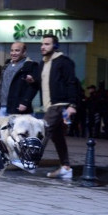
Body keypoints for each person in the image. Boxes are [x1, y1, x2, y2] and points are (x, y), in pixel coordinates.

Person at [32, 34, 80, 179]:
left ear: (55, 46)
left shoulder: (64, 62)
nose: (43, 46)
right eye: (42, 44)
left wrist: (72, 104)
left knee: (43, 129)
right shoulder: (43, 63)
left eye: (47, 44)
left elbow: (72, 83)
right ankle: (66, 167)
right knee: (57, 137)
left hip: (60, 105)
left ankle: (30, 160)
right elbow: (41, 83)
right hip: (49, 105)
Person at [0, 42, 38, 117]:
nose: (13, 53)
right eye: (12, 50)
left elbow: (33, 87)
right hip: (2, 107)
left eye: (17, 50)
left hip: (18, 108)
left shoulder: (30, 65)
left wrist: (25, 102)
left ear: (24, 52)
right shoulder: (6, 65)